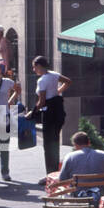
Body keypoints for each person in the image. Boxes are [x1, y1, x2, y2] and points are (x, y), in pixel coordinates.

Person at [32, 55, 71, 185]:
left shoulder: (42, 80)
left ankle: (50, 174)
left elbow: (42, 101)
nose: (33, 70)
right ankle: (55, 172)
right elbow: (68, 81)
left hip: (49, 112)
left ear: (38, 66)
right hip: (59, 109)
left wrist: (32, 113)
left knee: (48, 145)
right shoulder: (54, 74)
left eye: (34, 67)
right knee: (54, 142)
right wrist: (58, 92)